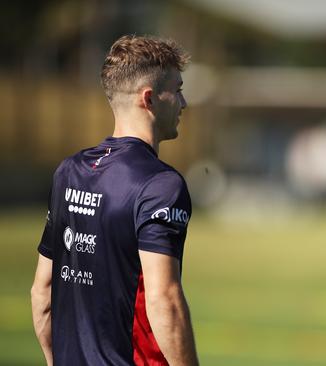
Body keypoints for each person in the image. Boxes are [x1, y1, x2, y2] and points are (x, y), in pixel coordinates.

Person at [30, 35, 199, 365]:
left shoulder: (69, 171)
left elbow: (42, 292)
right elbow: (164, 299)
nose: (184, 103)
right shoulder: (160, 184)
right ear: (149, 99)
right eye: (177, 90)